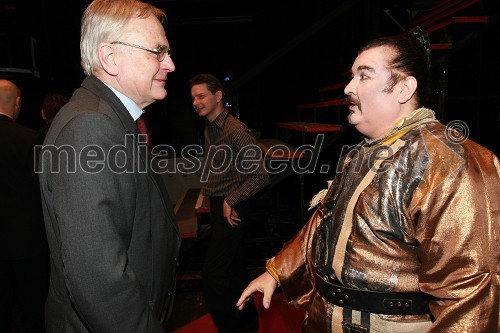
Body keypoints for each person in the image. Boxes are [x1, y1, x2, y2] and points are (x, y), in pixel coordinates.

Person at [237, 27, 499, 332]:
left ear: (404, 88)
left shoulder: (452, 162)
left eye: (364, 75)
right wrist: (277, 272)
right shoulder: (361, 153)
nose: (349, 87)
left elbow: (472, 292)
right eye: (352, 76)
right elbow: (325, 221)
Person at [37, 0, 180, 332]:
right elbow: (99, 283)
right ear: (110, 58)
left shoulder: (108, 119)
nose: (169, 64)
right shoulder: (90, 128)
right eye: (157, 52)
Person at [190, 73, 269, 333]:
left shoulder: (235, 130)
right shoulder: (209, 129)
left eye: (201, 96)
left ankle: (232, 328)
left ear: (218, 96)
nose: (196, 102)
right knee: (234, 275)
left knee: (213, 277)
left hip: (232, 211)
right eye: (193, 98)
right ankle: (247, 327)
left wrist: (230, 199)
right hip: (219, 207)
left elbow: (260, 175)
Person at [0, 79, 49, 332]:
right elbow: (44, 190)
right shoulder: (30, 140)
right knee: (35, 313)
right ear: (17, 104)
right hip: (29, 245)